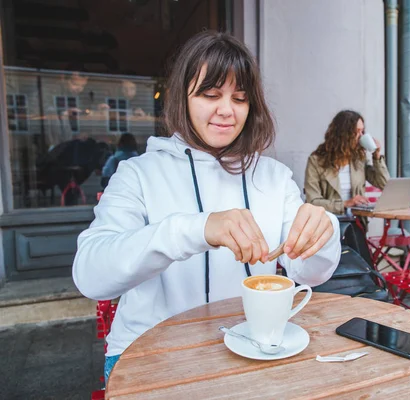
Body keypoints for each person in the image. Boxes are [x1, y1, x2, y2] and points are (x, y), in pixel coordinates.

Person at [72, 31, 341, 381]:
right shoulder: (139, 173)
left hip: (252, 349)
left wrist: (325, 233)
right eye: (210, 94)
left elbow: (311, 273)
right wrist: (195, 229)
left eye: (240, 98)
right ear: (180, 98)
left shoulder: (274, 178)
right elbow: (91, 276)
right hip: (151, 354)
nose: (226, 110)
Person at [304, 110, 389, 219]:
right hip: (327, 222)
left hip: (355, 221)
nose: (361, 136)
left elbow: (384, 184)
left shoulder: (359, 160)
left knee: (354, 234)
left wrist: (376, 157)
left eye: (362, 132)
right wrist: (345, 203)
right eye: (357, 132)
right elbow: (313, 202)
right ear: (343, 135)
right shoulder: (316, 161)